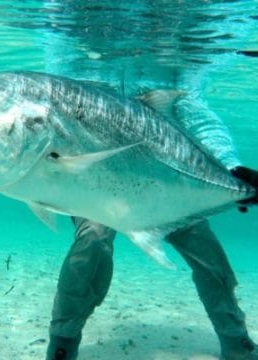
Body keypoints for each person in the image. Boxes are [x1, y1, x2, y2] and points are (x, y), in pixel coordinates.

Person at [45, 95, 258, 360]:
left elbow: (198, 119)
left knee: (206, 252)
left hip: (161, 181)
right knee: (93, 240)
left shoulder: (172, 74)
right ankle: (63, 341)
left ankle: (235, 338)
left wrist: (230, 167)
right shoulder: (84, 68)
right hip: (96, 186)